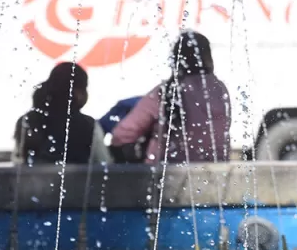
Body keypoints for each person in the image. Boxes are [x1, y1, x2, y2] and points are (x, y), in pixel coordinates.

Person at [111, 31, 231, 164]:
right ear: (208, 57)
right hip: (217, 170)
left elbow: (121, 134)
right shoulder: (219, 89)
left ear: (175, 58)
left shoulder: (167, 91)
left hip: (167, 171)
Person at [13, 62, 105, 166]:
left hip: (32, 177)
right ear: (78, 92)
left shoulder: (26, 121)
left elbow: (17, 163)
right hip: (78, 177)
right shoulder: (89, 125)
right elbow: (104, 164)